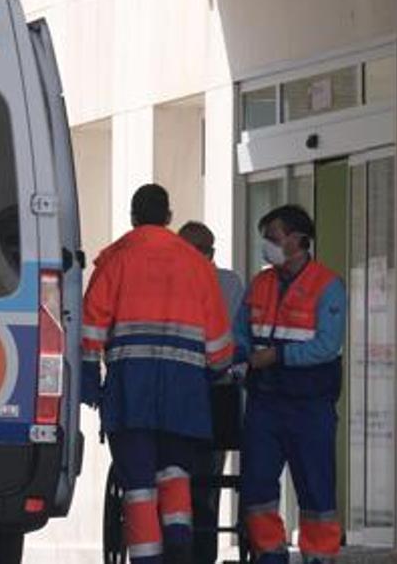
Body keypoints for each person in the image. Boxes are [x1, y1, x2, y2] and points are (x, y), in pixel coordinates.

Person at [81, 185, 233, 563]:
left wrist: (88, 377)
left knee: (139, 486)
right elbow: (219, 343)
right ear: (168, 217)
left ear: (133, 217)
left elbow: (91, 328)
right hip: (184, 394)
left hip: (131, 392)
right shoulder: (197, 265)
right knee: (175, 473)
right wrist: (216, 371)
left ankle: (148, 557)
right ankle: (179, 541)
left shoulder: (115, 260)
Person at [235, 204, 345, 564]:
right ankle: (270, 555)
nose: (267, 245)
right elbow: (240, 335)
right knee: (257, 488)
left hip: (309, 402)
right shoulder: (260, 284)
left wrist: (278, 357)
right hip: (265, 402)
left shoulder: (327, 285)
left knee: (316, 489)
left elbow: (327, 346)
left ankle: (319, 557)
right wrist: (238, 357)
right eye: (265, 238)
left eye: (274, 238)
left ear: (299, 240)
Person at [176, 221, 244, 564]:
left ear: (210, 254)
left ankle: (201, 554)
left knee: (204, 482)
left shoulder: (227, 284)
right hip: (176, 388)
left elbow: (226, 337)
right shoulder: (168, 282)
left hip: (213, 390)